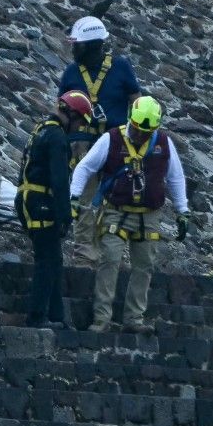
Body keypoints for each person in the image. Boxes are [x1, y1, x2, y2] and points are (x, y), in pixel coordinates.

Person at [69, 97, 189, 334]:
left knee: (144, 265)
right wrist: (74, 196)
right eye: (136, 129)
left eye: (146, 132)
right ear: (130, 121)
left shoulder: (164, 144)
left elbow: (175, 177)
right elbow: (85, 167)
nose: (140, 134)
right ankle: (101, 318)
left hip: (149, 215)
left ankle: (134, 318)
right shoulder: (111, 139)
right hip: (116, 211)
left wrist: (182, 211)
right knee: (110, 260)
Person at [59, 15, 142, 258]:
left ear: (92, 45)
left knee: (115, 199)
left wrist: (137, 139)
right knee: (85, 197)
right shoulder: (71, 73)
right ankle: (85, 252)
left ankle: (110, 250)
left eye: (78, 44)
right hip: (83, 146)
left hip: (116, 143)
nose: (73, 49)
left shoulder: (121, 67)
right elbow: (62, 109)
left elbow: (136, 101)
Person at [15, 90, 93, 328]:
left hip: (30, 199)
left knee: (54, 259)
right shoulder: (57, 137)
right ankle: (37, 317)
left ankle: (56, 315)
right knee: (47, 261)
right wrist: (65, 216)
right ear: (71, 113)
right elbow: (59, 181)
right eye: (79, 120)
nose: (78, 126)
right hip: (41, 202)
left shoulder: (41, 129)